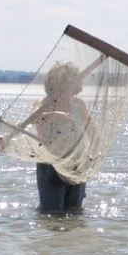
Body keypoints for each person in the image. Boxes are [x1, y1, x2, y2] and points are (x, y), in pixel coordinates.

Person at [18, 62, 98, 213]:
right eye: (63, 84)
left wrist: (90, 156)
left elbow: (93, 132)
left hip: (75, 163)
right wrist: (55, 114)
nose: (67, 90)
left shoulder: (78, 104)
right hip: (50, 162)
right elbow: (33, 119)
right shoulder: (43, 103)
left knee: (74, 211)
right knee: (51, 211)